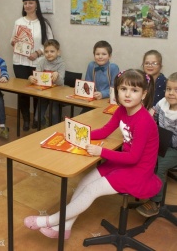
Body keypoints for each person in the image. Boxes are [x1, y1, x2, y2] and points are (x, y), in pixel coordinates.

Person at [24, 69, 161, 239]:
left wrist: (101, 151)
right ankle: (65, 226)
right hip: (123, 162)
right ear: (117, 90)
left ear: (144, 94)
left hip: (138, 170)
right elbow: (104, 131)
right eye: (123, 89)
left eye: (134, 90)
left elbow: (134, 158)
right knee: (84, 182)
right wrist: (78, 134)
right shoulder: (121, 110)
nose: (127, 94)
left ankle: (49, 221)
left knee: (91, 190)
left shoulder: (144, 121)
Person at [136, 72, 177, 217]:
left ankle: (155, 201)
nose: (171, 93)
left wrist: (159, 137)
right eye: (168, 89)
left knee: (158, 163)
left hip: (174, 149)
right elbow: (152, 116)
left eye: (176, 90)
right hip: (162, 143)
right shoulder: (162, 103)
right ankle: (141, 186)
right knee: (139, 153)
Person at [11, 0, 53, 131]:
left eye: (30, 3)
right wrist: (14, 42)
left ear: (36, 5)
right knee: (23, 93)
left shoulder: (44, 23)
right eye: (25, 3)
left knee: (37, 92)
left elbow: (50, 43)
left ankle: (37, 119)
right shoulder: (19, 22)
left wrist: (37, 53)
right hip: (20, 62)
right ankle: (26, 121)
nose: (28, 5)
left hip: (38, 62)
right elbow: (12, 41)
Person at [28, 39, 65, 127]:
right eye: (46, 51)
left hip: (56, 95)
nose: (49, 54)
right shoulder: (41, 62)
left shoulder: (61, 64)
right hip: (43, 93)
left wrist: (57, 76)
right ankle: (46, 123)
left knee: (54, 117)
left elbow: (61, 82)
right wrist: (31, 78)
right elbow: (36, 76)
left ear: (58, 52)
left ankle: (54, 130)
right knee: (37, 118)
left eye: (52, 51)